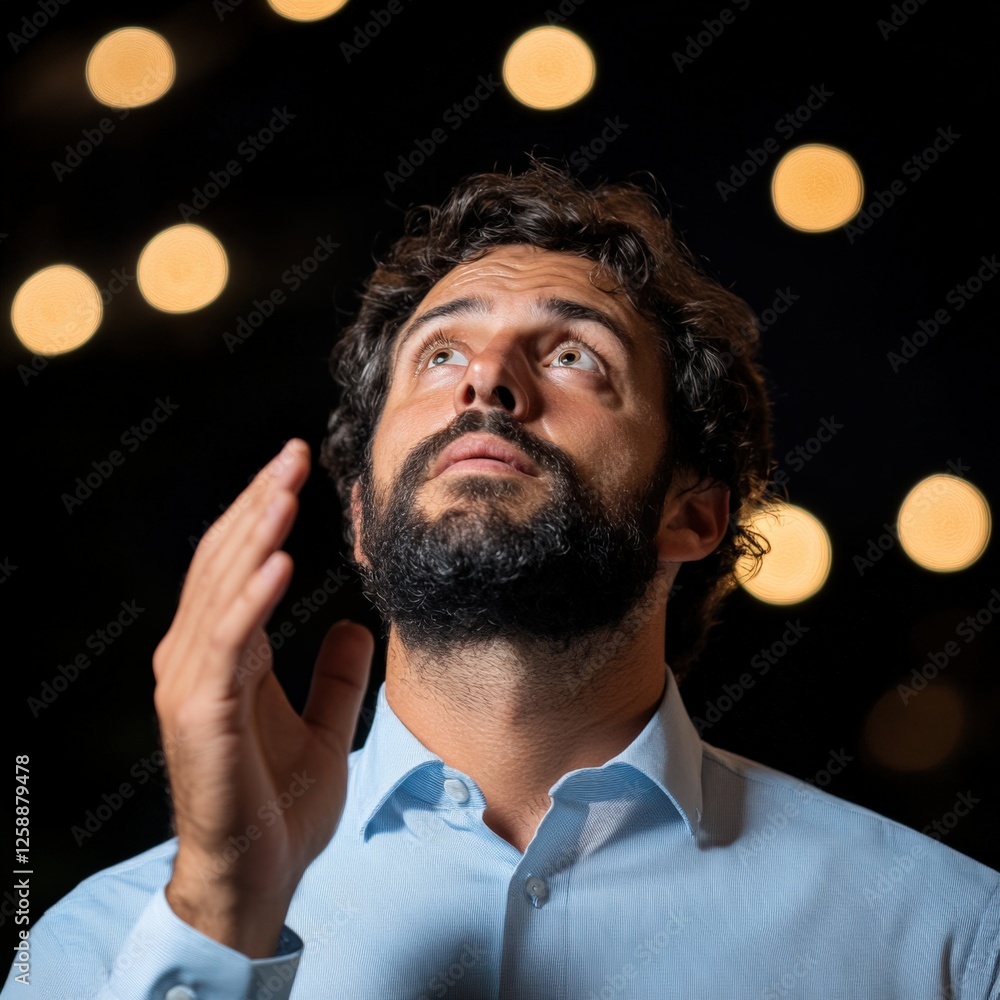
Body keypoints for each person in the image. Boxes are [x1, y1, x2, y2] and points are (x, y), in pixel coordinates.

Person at [5, 164, 997, 999]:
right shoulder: (91, 952)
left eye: (574, 355)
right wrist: (222, 917)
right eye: (439, 353)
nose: (485, 379)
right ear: (358, 512)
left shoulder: (948, 940)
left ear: (693, 511)